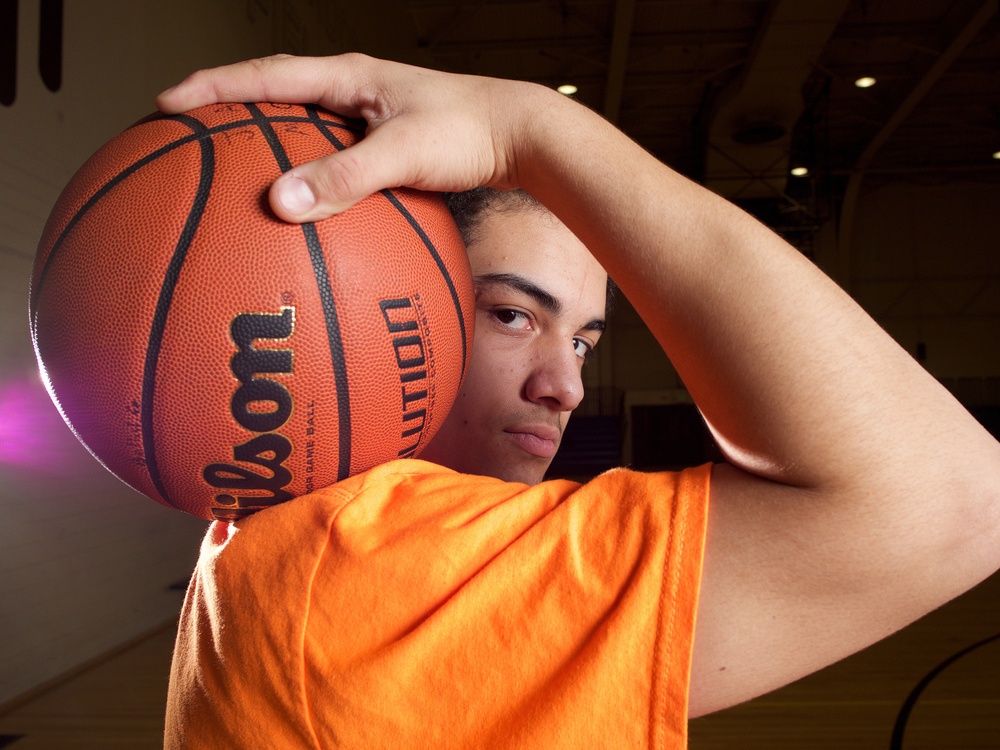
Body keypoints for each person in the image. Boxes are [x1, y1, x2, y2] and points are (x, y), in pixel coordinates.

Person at [156, 54, 1000, 748]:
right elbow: (960, 499)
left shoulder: (286, 533)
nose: (562, 386)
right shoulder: (366, 563)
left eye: (585, 341)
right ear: (381, 311)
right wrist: (525, 127)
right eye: (513, 315)